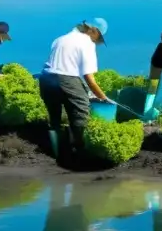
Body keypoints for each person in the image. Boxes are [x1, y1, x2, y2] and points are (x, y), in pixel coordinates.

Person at [38, 18, 111, 158]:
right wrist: (103, 98)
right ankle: (79, 153)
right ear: (93, 30)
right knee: (80, 112)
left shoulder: (60, 39)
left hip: (46, 79)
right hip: (66, 79)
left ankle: (56, 153)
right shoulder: (87, 43)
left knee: (54, 118)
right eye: (99, 36)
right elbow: (89, 78)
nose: (97, 40)